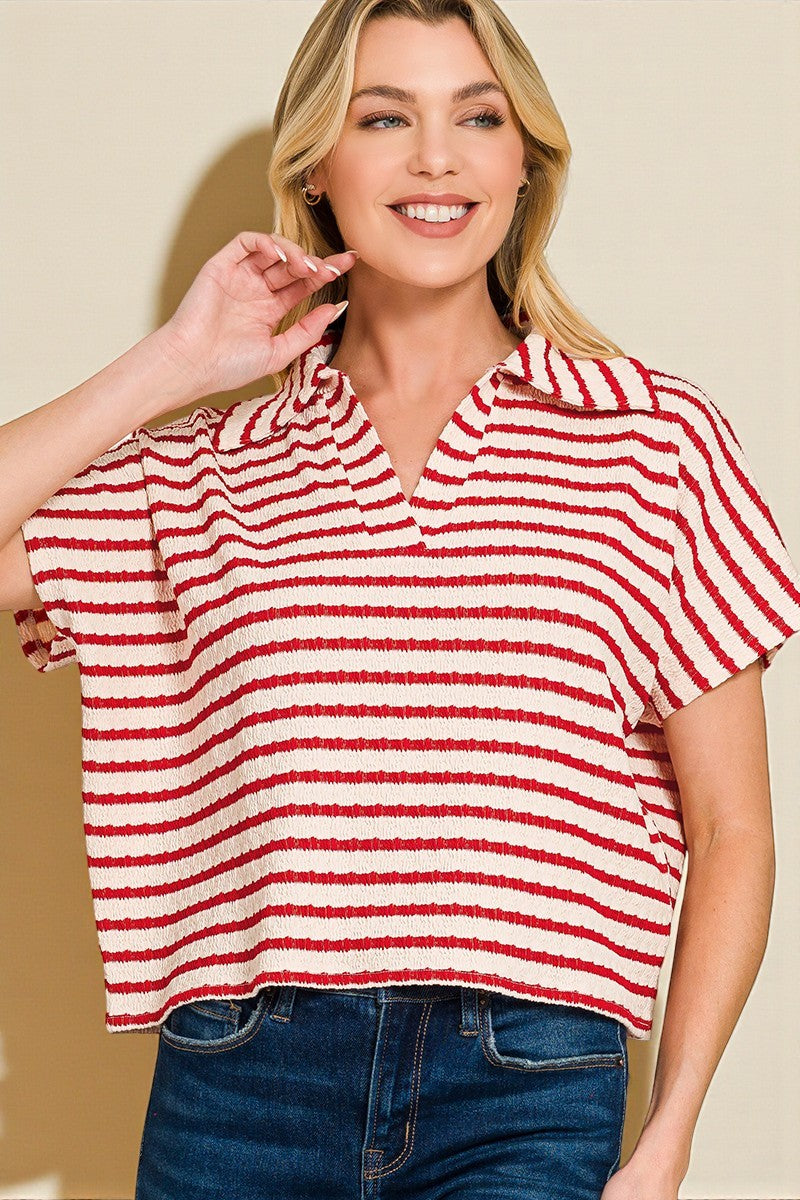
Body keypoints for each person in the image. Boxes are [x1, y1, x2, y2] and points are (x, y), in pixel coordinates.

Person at [2, 0, 799, 1197]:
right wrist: (174, 362)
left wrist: (668, 1127)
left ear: (520, 160)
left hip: (527, 1081)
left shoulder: (648, 444)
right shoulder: (203, 466)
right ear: (318, 165)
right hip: (239, 1084)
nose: (436, 157)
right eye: (385, 117)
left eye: (476, 116)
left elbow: (731, 826)